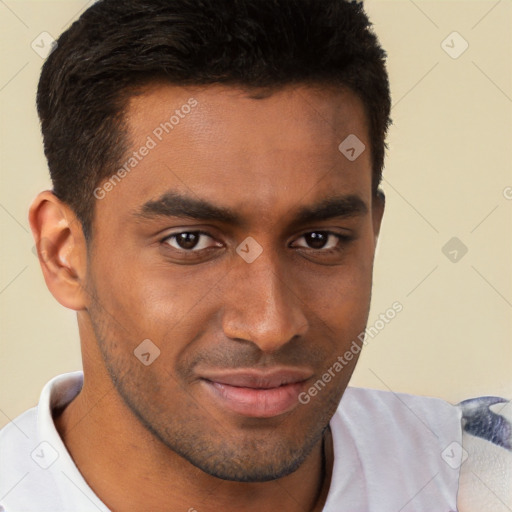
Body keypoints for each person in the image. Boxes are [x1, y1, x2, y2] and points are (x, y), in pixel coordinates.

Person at [0, 0, 510, 510]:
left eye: (318, 240)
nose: (270, 324)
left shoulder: (486, 477)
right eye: (190, 241)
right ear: (63, 253)